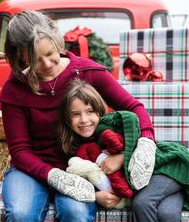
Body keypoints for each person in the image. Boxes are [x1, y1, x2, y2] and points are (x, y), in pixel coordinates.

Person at [0, 10, 160, 222]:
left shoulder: (87, 72)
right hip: (29, 170)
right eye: (36, 60)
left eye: (50, 54)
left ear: (57, 42)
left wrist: (143, 144)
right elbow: (20, 150)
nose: (47, 65)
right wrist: (53, 176)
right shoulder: (14, 89)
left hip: (79, 169)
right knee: (20, 214)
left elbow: (134, 108)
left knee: (75, 213)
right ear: (20, 55)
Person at [57, 79, 136, 209]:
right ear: (67, 118)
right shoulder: (68, 144)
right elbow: (69, 180)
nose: (84, 120)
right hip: (95, 195)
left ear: (99, 111)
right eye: (76, 114)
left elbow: (143, 153)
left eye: (90, 112)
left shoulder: (112, 133)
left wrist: (122, 157)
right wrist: (95, 196)